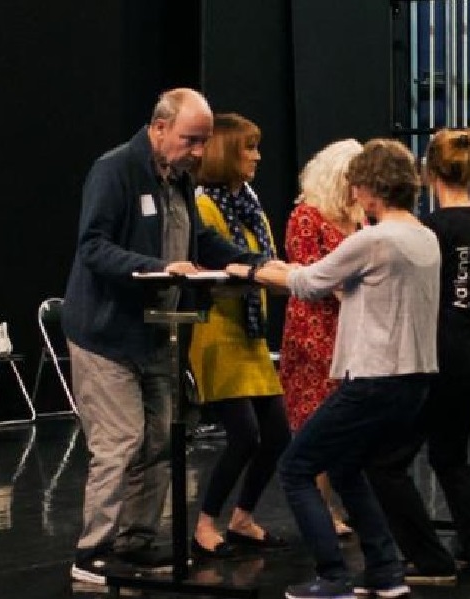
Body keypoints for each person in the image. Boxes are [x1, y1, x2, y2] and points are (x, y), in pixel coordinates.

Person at [62, 88, 266, 584]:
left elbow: (203, 241)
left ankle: (135, 540)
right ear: (158, 128)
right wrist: (157, 268)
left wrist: (253, 265)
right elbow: (93, 246)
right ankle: (93, 551)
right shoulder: (114, 171)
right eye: (189, 140)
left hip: (157, 334)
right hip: (106, 334)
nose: (198, 152)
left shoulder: (177, 180)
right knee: (121, 440)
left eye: (203, 142)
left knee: (160, 439)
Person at [237, 139, 440, 599]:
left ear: (369, 189)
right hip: (414, 380)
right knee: (349, 468)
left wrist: (251, 270)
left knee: (296, 467)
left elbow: (308, 283)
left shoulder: (374, 239)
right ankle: (386, 573)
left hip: (374, 378)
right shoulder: (424, 236)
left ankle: (332, 576)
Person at [364, 128, 470, 583]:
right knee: (449, 454)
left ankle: (428, 558)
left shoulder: (434, 229)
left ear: (426, 174)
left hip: (440, 357)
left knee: (386, 463)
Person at [187, 113, 290, 558]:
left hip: (249, 333)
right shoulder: (202, 204)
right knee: (245, 435)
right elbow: (221, 265)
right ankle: (205, 523)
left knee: (279, 434)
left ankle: (243, 515)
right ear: (228, 153)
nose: (257, 157)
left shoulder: (247, 201)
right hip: (217, 331)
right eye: (249, 148)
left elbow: (264, 256)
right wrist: (263, 274)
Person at [278, 139, 365, 536]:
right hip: (314, 332)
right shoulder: (306, 217)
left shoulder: (363, 221)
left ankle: (348, 507)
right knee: (315, 420)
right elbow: (308, 273)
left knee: (347, 427)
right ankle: (322, 511)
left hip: (354, 330)